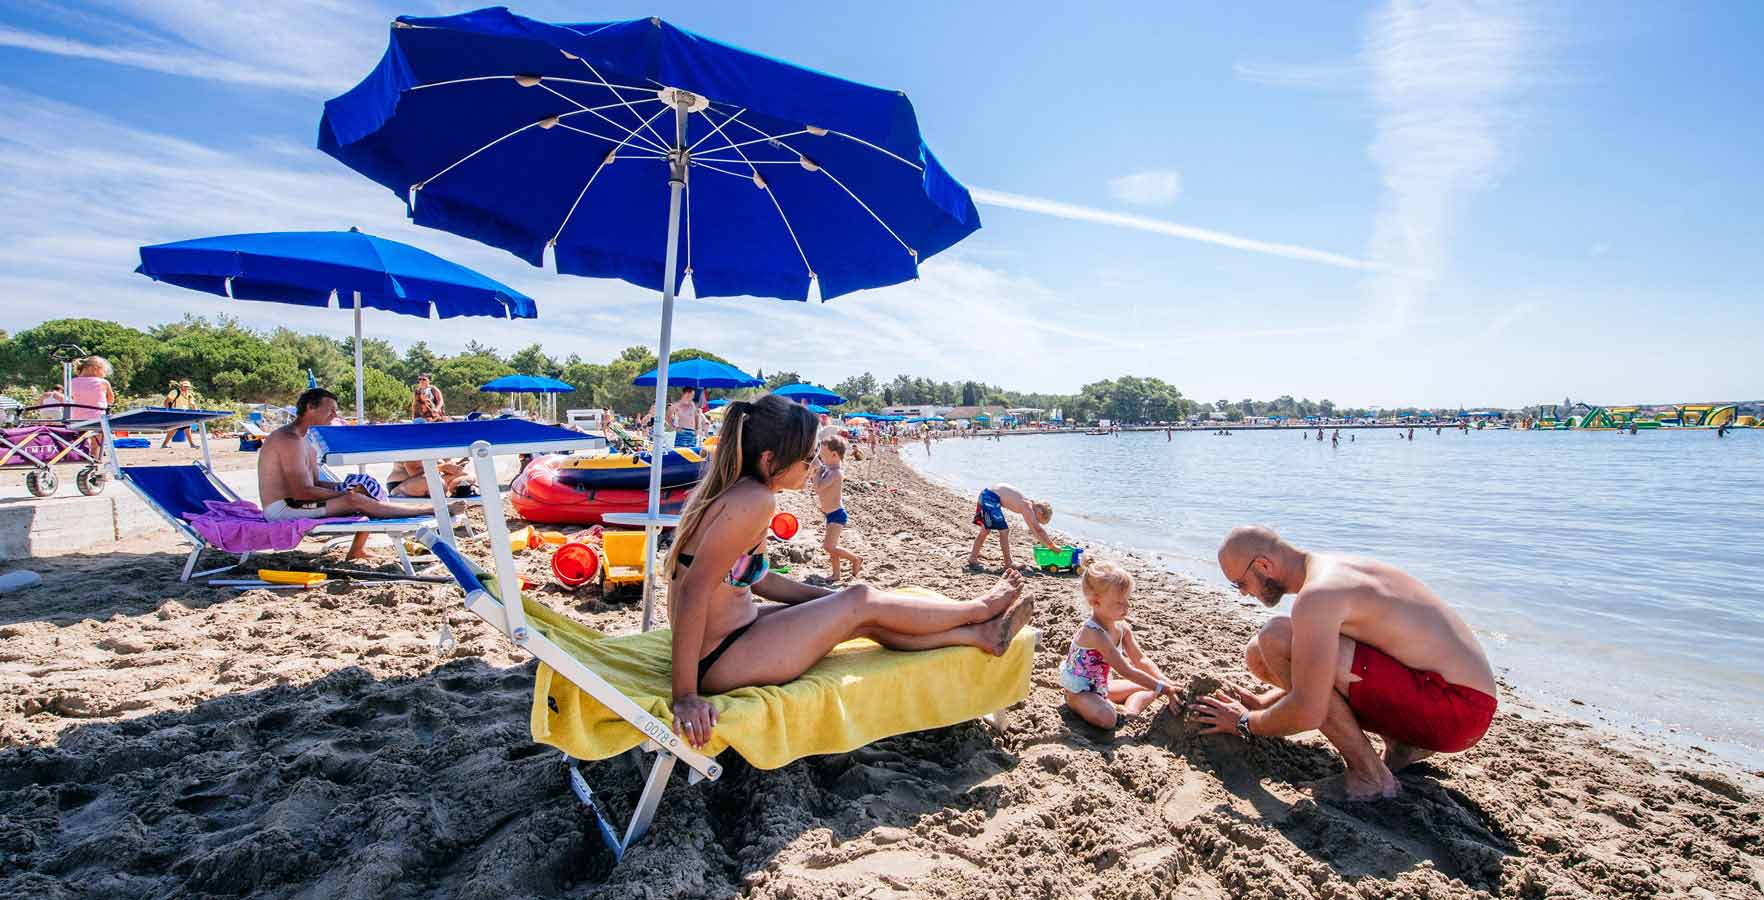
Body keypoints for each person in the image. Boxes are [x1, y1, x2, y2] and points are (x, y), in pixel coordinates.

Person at [664, 395, 1035, 749]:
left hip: (730, 637)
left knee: (860, 615)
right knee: (863, 600)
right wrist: (685, 696)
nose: (814, 466)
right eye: (806, 458)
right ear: (769, 459)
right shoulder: (755, 501)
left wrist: (830, 600)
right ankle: (978, 610)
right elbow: (695, 589)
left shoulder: (737, 490)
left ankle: (980, 634)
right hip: (719, 658)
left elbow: (757, 578)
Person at [1189, 526, 1498, 800]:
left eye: (1240, 584)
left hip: (1455, 709)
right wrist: (1263, 704)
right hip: (1462, 702)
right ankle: (1401, 746)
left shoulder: (1318, 595)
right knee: (1260, 653)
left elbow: (1309, 711)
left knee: (1277, 638)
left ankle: (1370, 777)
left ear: (1263, 565)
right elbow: (1325, 667)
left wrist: (1244, 722)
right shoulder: (1334, 568)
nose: (1243, 594)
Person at [259, 389, 460, 559]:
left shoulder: (305, 441)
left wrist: (351, 487)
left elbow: (315, 483)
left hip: (297, 502)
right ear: (310, 407)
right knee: (355, 500)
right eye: (330, 410)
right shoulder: (289, 440)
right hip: (282, 508)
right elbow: (301, 492)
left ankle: (357, 550)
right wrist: (347, 494)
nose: (334, 416)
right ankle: (432, 509)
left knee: (363, 488)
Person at [1059, 560, 1177, 729]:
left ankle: (1130, 712)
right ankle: (1077, 702)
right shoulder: (1094, 633)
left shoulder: (1122, 628)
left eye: (1127, 600)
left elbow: (1141, 660)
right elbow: (1125, 670)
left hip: (1101, 687)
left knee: (1151, 687)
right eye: (1119, 603)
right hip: (1081, 691)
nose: (1127, 606)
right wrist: (1165, 689)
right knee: (1107, 718)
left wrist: (1165, 683)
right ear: (1095, 602)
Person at [966, 482, 1058, 570]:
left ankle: (973, 557)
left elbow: (1034, 530)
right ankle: (1008, 563)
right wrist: (1052, 545)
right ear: (1039, 512)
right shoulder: (1028, 507)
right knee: (1004, 531)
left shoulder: (1027, 504)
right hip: (991, 498)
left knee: (985, 530)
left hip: (986, 494)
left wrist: (1044, 544)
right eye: (1038, 520)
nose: (1036, 521)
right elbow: (1038, 529)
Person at [812, 434, 861, 580]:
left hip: (837, 514)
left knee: (829, 547)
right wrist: (818, 469)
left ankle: (855, 559)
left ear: (834, 455)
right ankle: (836, 574)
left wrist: (816, 473)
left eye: (823, 454)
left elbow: (819, 488)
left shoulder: (836, 473)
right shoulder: (829, 469)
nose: (820, 457)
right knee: (832, 548)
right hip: (830, 514)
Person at [384, 457, 479, 498]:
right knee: (432, 481)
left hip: (434, 482)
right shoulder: (417, 440)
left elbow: (444, 468)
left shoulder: (442, 442)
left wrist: (455, 467)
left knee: (468, 474)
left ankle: (461, 488)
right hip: (402, 485)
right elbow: (414, 471)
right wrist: (442, 467)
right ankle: (457, 490)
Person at [161, 379, 198, 447]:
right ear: (181, 386)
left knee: (187, 428)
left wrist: (196, 414)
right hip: (175, 413)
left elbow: (193, 405)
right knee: (174, 429)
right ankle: (164, 444)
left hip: (185, 414)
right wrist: (168, 412)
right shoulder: (175, 392)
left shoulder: (189, 394)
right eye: (185, 386)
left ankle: (191, 444)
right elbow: (166, 401)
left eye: (187, 386)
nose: (186, 387)